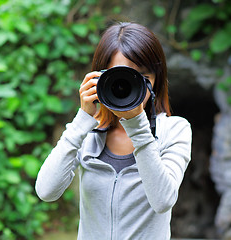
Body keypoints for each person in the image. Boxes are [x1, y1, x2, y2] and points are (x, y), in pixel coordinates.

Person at [35, 22, 192, 240]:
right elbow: (46, 191)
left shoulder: (175, 130)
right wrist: (83, 118)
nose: (130, 87)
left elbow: (163, 200)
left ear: (155, 82)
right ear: (100, 78)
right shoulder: (88, 132)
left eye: (142, 79)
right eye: (122, 79)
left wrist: (137, 126)